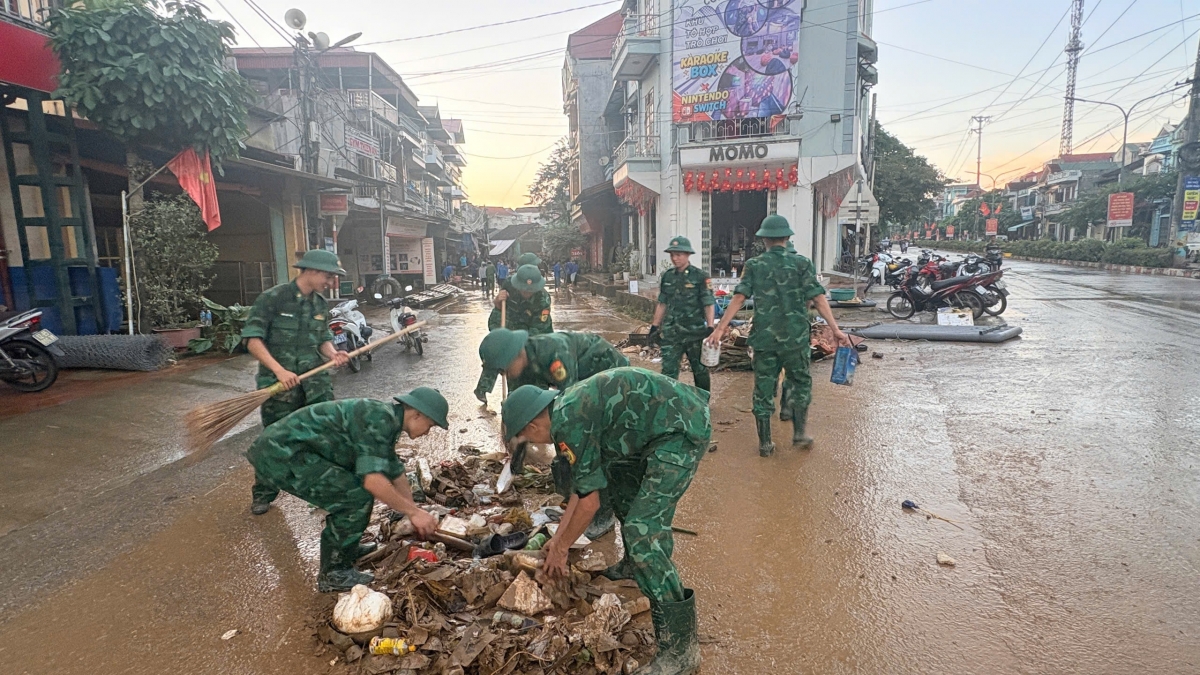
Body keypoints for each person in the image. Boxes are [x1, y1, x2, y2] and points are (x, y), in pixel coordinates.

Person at [501, 369, 709, 675]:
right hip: (650, 433)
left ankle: (681, 651)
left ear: (533, 426)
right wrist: (558, 540)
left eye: (526, 440)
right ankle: (633, 567)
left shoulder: (569, 424)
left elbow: (589, 504)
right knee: (622, 489)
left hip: (680, 432)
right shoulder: (564, 411)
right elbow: (582, 488)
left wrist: (561, 549)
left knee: (643, 532)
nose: (532, 445)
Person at [245, 389, 448, 592]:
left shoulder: (388, 419)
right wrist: (414, 513)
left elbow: (395, 471)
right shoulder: (379, 419)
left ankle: (345, 549)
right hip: (281, 454)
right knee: (354, 498)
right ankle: (333, 573)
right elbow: (374, 482)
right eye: (429, 426)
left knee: (354, 492)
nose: (427, 432)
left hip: (289, 449)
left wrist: (413, 510)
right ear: (416, 415)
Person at [707, 215, 851, 457]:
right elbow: (818, 299)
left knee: (763, 390)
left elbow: (739, 298)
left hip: (765, 339)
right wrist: (835, 329)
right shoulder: (802, 264)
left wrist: (720, 329)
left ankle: (765, 444)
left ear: (764, 239)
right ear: (787, 237)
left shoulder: (754, 265)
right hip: (795, 340)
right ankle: (799, 434)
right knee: (800, 384)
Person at [480, 327, 630, 538]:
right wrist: (516, 455)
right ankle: (573, 501)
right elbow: (523, 415)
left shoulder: (555, 353)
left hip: (611, 381)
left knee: (591, 453)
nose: (506, 375)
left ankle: (602, 516)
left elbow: (573, 407)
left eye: (505, 369)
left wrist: (570, 453)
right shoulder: (521, 367)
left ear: (517, 355)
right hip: (583, 389)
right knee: (566, 457)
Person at [242, 249, 351, 515]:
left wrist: (333, 353)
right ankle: (264, 494)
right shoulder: (273, 299)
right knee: (275, 440)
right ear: (311, 270)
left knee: (324, 437)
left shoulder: (319, 303)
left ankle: (321, 492)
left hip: (316, 384)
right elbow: (252, 340)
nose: (331, 282)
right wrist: (279, 371)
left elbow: (322, 338)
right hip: (280, 387)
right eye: (328, 276)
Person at [474, 264, 553, 403]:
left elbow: (540, 329)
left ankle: (539, 400)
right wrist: (498, 304)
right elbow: (494, 324)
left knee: (533, 365)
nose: (527, 293)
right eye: (523, 289)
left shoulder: (543, 300)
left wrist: (518, 346)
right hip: (511, 326)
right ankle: (496, 392)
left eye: (531, 290)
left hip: (537, 335)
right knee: (500, 352)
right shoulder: (509, 285)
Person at [649, 236, 715, 392]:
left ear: (687, 255)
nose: (675, 258)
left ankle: (702, 401)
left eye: (678, 254)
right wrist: (654, 326)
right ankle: (669, 403)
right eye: (672, 255)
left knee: (700, 370)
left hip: (695, 332)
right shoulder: (667, 276)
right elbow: (662, 302)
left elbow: (708, 303)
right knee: (668, 372)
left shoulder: (700, 277)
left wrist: (710, 327)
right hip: (672, 333)